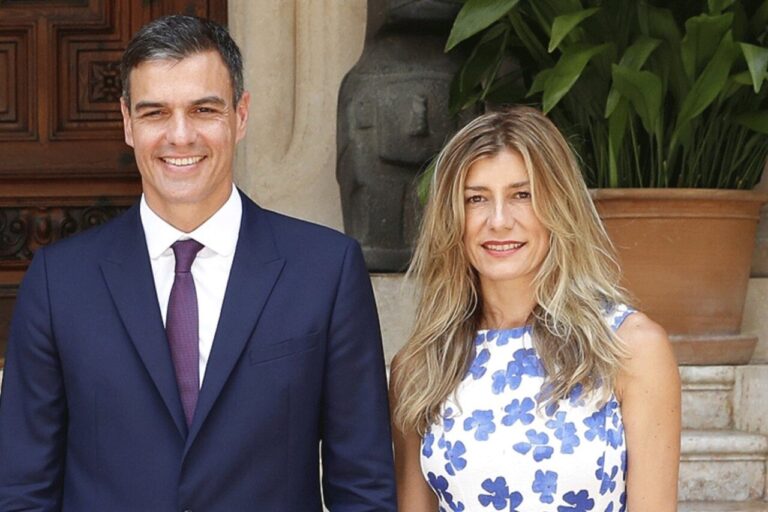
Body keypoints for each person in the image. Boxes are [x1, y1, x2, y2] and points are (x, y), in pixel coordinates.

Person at [0, 15, 396, 511]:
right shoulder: (59, 283)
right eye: (155, 113)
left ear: (241, 115)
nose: (180, 135)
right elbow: (22, 492)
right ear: (127, 122)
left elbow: (362, 488)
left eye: (204, 110)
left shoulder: (326, 271)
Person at [390, 106, 681, 511]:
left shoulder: (630, 348)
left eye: (522, 195)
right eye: (476, 198)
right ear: (452, 218)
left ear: (559, 205)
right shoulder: (420, 366)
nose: (498, 220)